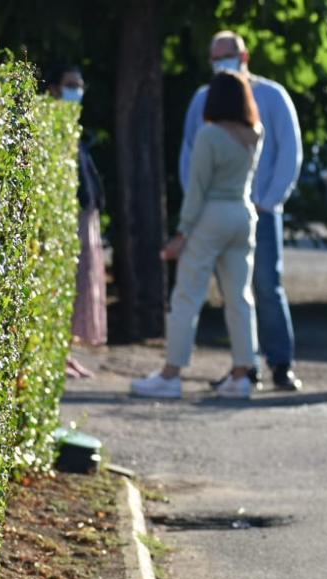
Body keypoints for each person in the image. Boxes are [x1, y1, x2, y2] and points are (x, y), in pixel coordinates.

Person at [179, 30, 304, 391]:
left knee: (267, 286)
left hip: (260, 211)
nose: (222, 63)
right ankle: (244, 368)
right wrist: (198, 205)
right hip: (218, 212)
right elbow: (190, 158)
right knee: (235, 294)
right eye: (215, 57)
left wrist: (270, 200)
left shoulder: (272, 96)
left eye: (227, 55)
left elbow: (288, 151)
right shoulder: (203, 99)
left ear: (244, 56)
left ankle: (280, 364)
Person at [131, 71, 263, 400]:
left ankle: (171, 374)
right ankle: (242, 375)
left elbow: (197, 190)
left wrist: (181, 233)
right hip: (243, 215)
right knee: (240, 298)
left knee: (187, 296)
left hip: (212, 217)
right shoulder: (253, 133)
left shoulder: (209, 135)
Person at [45, 64, 106, 378]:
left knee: (80, 285)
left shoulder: (73, 126)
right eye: (70, 85)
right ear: (54, 89)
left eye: (79, 85)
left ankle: (66, 354)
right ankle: (58, 356)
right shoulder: (52, 127)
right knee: (67, 284)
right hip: (69, 218)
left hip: (84, 216)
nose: (76, 92)